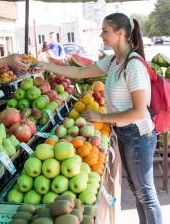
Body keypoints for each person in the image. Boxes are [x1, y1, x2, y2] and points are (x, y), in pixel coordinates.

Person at [33, 13, 162, 224]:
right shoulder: (113, 61)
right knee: (137, 190)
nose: (101, 34)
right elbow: (80, 71)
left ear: (120, 33)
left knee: (146, 194)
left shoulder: (134, 66)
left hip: (138, 134)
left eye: (105, 30)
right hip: (125, 132)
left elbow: (140, 111)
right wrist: (46, 66)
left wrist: (102, 117)